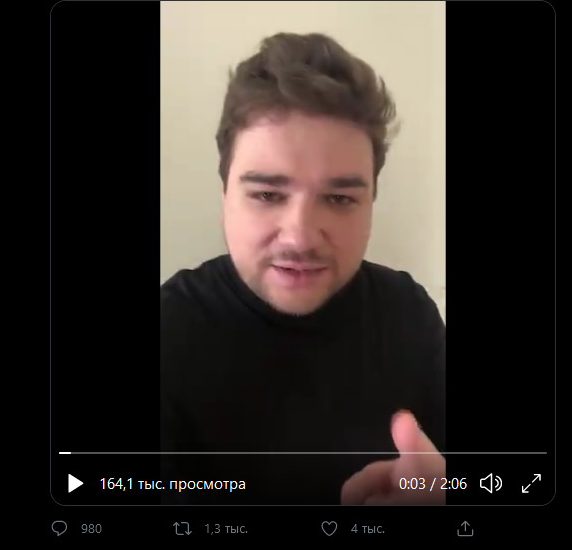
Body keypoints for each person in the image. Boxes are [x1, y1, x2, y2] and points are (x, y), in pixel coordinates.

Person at [160, 32, 445, 505]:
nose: (300, 237)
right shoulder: (169, 334)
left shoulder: (409, 314)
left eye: (339, 199)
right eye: (267, 194)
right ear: (225, 194)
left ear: (371, 203)